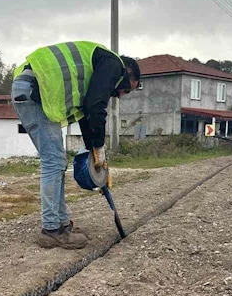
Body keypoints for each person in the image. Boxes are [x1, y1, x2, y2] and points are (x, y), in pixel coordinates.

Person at [11, 41, 140, 249]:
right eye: (125, 89)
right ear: (127, 72)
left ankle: (61, 224)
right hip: (36, 88)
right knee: (53, 161)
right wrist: (99, 148)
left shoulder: (94, 69)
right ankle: (51, 230)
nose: (119, 95)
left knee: (57, 160)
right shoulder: (113, 65)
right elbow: (96, 106)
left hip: (32, 87)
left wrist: (93, 152)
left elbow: (86, 114)